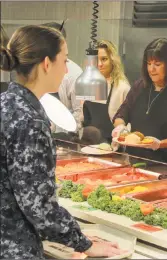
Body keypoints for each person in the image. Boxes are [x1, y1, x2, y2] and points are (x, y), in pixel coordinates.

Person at [0, 25, 127, 258]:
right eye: (65, 60)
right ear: (47, 64)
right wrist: (84, 243)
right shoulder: (30, 121)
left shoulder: (5, 103)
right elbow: (40, 207)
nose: (67, 69)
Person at [112, 38, 167, 164]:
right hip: (134, 161)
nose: (151, 69)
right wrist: (120, 128)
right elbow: (121, 114)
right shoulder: (139, 86)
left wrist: (159, 144)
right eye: (148, 64)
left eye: (157, 64)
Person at [82, 39, 131, 143]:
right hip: (89, 145)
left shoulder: (122, 87)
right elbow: (83, 118)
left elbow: (128, 125)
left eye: (104, 59)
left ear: (113, 60)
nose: (99, 64)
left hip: (112, 146)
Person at [42, 22, 83, 136]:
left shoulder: (75, 74)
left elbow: (80, 115)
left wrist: (54, 127)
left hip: (65, 138)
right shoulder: (38, 69)